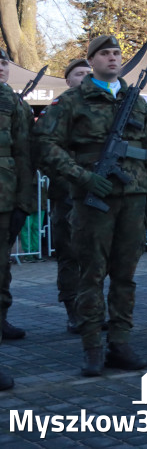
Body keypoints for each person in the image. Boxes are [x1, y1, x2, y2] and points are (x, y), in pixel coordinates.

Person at [35, 35, 147, 376]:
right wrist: (82, 177)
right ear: (92, 61)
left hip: (131, 198)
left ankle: (120, 342)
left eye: (117, 53)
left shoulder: (137, 102)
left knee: (125, 276)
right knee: (92, 274)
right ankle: (92, 346)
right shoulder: (72, 100)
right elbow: (44, 143)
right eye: (105, 54)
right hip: (93, 202)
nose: (113, 58)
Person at [0, 48, 37, 390]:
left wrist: (24, 205)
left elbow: (26, 157)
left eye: (3, 62)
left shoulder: (15, 104)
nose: (0, 68)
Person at [47, 59, 92, 335]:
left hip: (95, 192)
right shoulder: (60, 107)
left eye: (88, 73)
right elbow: (45, 151)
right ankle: (73, 310)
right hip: (66, 193)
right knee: (69, 253)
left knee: (94, 256)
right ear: (68, 80)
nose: (85, 77)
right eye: (79, 73)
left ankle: (91, 309)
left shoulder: (98, 105)